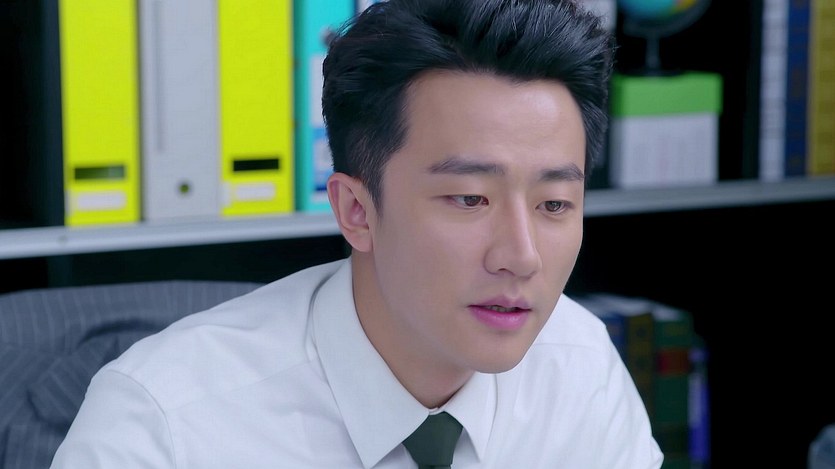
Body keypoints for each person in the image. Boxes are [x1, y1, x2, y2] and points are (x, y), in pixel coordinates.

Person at [51, 0, 663, 467]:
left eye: (554, 204)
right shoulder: (162, 425)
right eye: (469, 198)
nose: (521, 257)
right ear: (356, 211)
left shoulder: (579, 365)